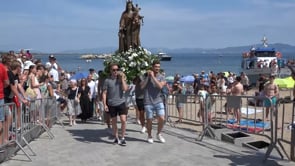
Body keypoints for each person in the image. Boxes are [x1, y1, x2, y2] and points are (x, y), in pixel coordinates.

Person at [141, 60, 166, 144]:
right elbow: (142, 87)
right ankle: (149, 135)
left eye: (158, 67)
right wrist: (148, 77)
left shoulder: (161, 77)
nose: (157, 68)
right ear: (152, 67)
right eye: (156, 67)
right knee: (149, 120)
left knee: (162, 118)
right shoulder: (145, 76)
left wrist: (153, 77)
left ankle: (159, 134)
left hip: (158, 100)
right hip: (148, 101)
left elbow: (160, 86)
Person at [102, 63, 128, 145]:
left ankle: (123, 137)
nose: (115, 71)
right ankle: (116, 137)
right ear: (110, 71)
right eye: (113, 70)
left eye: (117, 70)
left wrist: (122, 79)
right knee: (114, 121)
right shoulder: (107, 80)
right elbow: (104, 93)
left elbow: (125, 89)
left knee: (123, 120)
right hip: (111, 103)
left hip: (121, 102)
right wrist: (105, 104)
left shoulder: (120, 79)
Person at [0, 60, 9, 145]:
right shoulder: (2, 67)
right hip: (0, 96)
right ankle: (1, 143)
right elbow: (6, 82)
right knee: (1, 121)